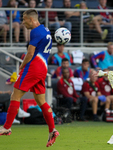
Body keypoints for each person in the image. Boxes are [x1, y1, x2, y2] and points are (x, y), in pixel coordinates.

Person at [0, 9, 59, 147]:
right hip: (43, 68)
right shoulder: (45, 30)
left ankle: (7, 127)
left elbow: (30, 53)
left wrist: (22, 65)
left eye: (24, 19)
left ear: (31, 19)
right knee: (41, 101)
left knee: (15, 95)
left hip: (33, 67)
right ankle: (52, 130)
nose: (22, 23)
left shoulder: (35, 31)